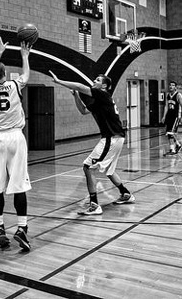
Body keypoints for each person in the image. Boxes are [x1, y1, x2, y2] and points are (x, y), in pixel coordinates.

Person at [49, 71, 135, 215]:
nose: (94, 81)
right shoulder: (100, 101)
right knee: (109, 170)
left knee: (88, 167)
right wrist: (76, 95)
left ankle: (94, 205)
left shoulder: (103, 94)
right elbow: (83, 110)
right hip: (116, 138)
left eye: (97, 80)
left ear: (104, 86)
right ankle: (126, 194)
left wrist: (59, 81)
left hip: (111, 138)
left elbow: (81, 86)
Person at [0, 36, 32, 251]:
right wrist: (24, 56)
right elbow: (27, 75)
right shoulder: (14, 84)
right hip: (15, 137)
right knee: (19, 184)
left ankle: (0, 228)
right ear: (5, 73)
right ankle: (21, 228)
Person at [160, 80, 182, 155]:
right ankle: (177, 145)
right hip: (169, 116)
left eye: (173, 85)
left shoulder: (178, 95)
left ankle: (173, 149)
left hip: (176, 116)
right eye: (170, 85)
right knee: (168, 132)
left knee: (171, 132)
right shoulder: (168, 95)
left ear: (176, 87)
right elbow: (166, 106)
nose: (171, 86)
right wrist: (164, 116)